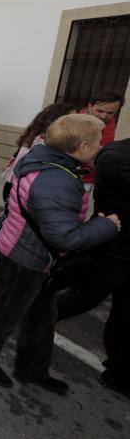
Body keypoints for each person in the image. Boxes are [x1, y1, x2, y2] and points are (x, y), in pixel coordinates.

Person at [0, 114, 119, 395]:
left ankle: (32, 370)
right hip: (22, 260)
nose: (101, 146)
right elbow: (63, 236)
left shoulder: (51, 163)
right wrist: (107, 225)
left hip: (34, 258)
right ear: (81, 146)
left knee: (41, 318)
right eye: (98, 142)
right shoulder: (56, 179)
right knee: (4, 315)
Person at [55, 137, 130, 399]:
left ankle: (118, 373)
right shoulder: (115, 155)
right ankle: (32, 320)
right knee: (82, 298)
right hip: (113, 250)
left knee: (126, 316)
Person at [0, 102, 75, 204]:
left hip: (17, 188)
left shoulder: (37, 136)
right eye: (71, 120)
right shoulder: (43, 142)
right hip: (20, 190)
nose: (76, 124)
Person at [80, 90, 124, 186]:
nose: (104, 116)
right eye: (99, 111)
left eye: (110, 113)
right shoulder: (72, 121)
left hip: (93, 178)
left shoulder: (110, 121)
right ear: (89, 106)